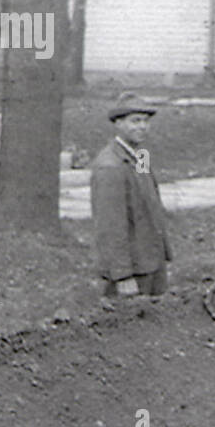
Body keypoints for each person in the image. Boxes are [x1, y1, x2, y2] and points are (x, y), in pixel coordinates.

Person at [91, 92, 172, 298]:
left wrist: (163, 255)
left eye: (145, 121)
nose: (142, 127)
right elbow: (110, 226)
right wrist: (122, 275)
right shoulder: (110, 165)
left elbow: (151, 205)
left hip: (151, 263)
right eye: (135, 121)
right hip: (133, 273)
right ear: (118, 123)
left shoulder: (139, 156)